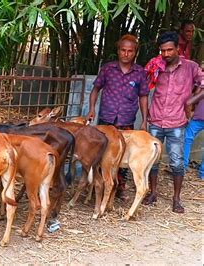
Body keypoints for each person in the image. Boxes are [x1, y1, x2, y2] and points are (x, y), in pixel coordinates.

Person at [143, 31, 204, 213]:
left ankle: (176, 199)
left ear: (178, 48)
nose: (166, 54)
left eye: (170, 50)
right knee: (152, 160)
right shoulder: (156, 65)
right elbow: (143, 86)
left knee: (177, 162)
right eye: (163, 51)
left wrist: (190, 101)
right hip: (155, 120)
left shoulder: (191, 67)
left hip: (177, 122)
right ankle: (152, 193)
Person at [86, 34, 149, 200]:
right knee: (101, 154)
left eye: (130, 51)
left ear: (135, 52)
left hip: (126, 121)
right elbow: (95, 89)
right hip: (106, 119)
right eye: (123, 50)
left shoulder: (140, 73)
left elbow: (143, 96)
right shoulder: (108, 69)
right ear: (118, 50)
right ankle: (97, 188)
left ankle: (119, 187)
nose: (126, 54)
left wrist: (144, 120)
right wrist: (92, 109)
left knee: (123, 155)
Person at [184, 89, 204, 180]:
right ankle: (202, 174)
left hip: (199, 115)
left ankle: (182, 168)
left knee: (187, 140)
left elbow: (196, 94)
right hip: (199, 115)